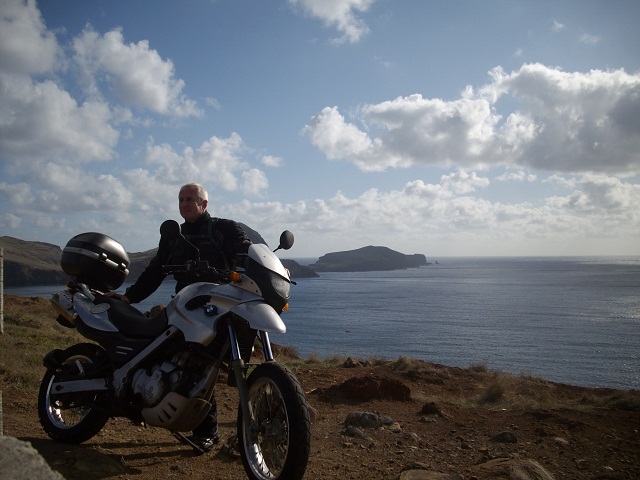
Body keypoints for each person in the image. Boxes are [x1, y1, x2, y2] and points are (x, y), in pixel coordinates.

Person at [109, 182, 252, 452]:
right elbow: (156, 270)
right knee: (191, 364)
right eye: (181, 199)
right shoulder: (174, 235)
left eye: (190, 199)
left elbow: (247, 252)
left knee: (208, 363)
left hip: (219, 304)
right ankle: (202, 428)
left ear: (204, 204)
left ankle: (226, 425)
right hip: (185, 306)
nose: (184, 204)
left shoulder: (224, 229)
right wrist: (130, 297)